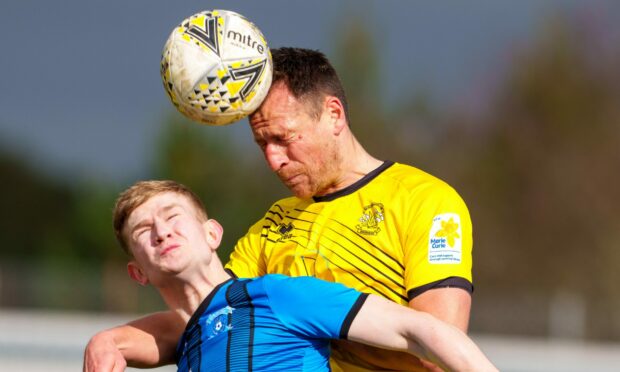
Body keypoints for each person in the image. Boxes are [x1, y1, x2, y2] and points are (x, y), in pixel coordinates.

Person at [84, 47, 474, 372]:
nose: (273, 159)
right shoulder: (272, 225)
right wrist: (111, 340)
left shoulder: (424, 200)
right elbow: (209, 319)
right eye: (261, 144)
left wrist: (318, 319)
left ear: (333, 114)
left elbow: (438, 339)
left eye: (284, 139)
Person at [95, 179, 495, 372]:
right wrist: (104, 340)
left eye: (172, 218)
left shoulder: (273, 295)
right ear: (138, 273)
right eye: (143, 232)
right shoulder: (192, 343)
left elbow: (422, 330)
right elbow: (165, 333)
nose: (162, 232)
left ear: (212, 233)